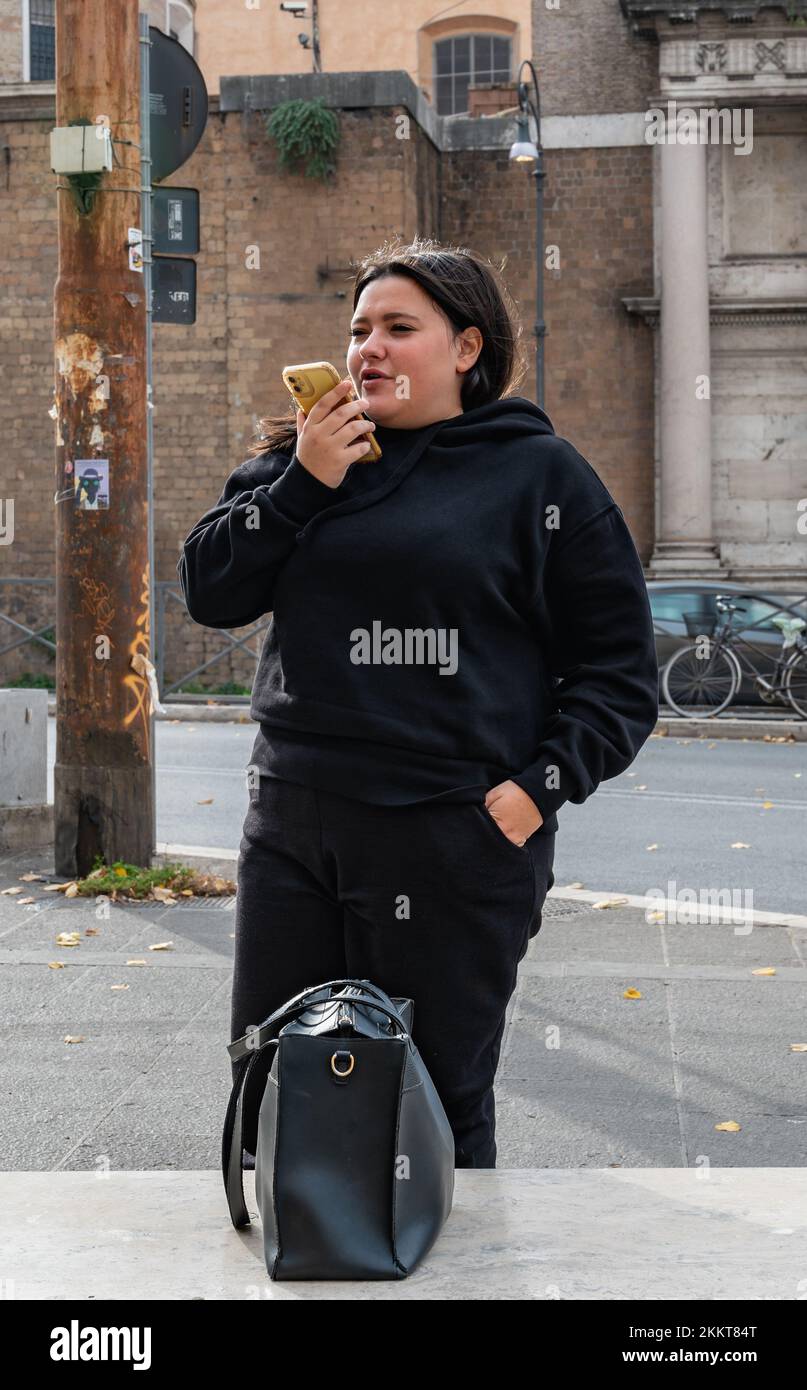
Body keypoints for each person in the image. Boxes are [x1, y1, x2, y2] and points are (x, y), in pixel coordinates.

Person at [177, 234, 659, 1168]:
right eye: (359, 329)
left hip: (449, 835)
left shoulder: (538, 476)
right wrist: (303, 487)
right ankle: (302, 1256)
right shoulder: (303, 461)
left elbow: (618, 673)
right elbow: (210, 591)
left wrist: (530, 798)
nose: (369, 349)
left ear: (467, 348)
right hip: (292, 826)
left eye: (399, 328)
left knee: (433, 1105)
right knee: (274, 1083)